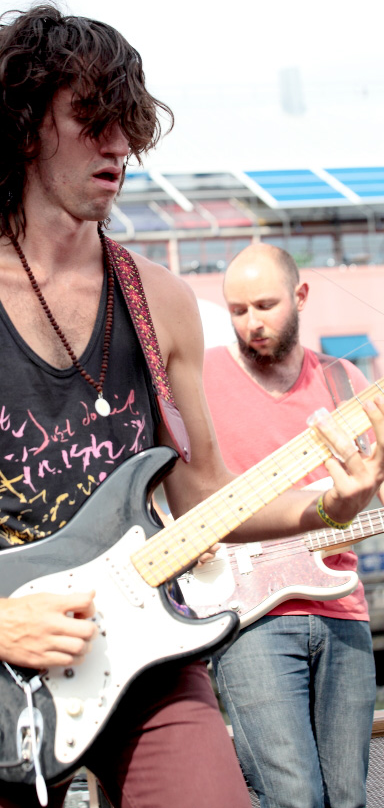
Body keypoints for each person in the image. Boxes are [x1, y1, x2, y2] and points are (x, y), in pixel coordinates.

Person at [0, 4, 384, 808]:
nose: (119, 145)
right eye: (92, 119)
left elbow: (200, 493)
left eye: (129, 123)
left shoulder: (163, 302)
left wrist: (325, 507)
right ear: (26, 128)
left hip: (149, 642)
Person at [203, 243, 378, 808]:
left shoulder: (345, 382)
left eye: (264, 305)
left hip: (342, 608)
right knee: (293, 797)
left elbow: (363, 498)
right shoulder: (200, 380)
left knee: (349, 797)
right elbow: (163, 482)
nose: (251, 323)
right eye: (237, 310)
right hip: (247, 615)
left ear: (300, 296)